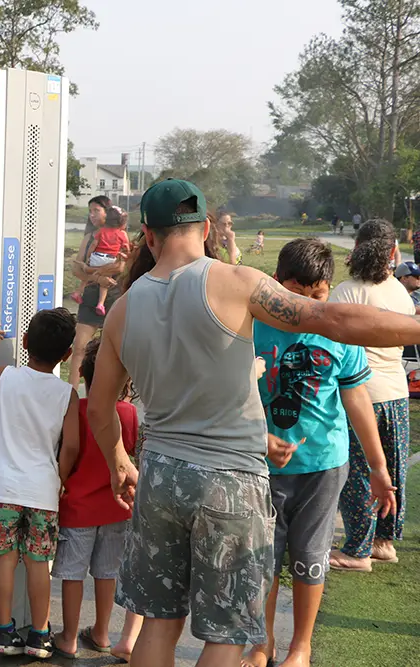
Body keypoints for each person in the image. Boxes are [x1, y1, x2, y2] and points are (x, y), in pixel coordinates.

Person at [87, 179, 420, 667]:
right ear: (204, 228)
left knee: (158, 625)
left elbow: (100, 408)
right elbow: (334, 321)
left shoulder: (123, 308)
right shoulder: (234, 281)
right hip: (229, 482)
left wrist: (119, 460)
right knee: (227, 635)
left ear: (148, 236)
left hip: (159, 476)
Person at [244, 238, 396, 667]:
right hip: (260, 466)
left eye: (318, 297)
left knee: (310, 558)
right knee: (262, 560)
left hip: (324, 467)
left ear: (329, 290)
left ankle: (300, 648)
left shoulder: (338, 330)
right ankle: (262, 643)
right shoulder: (251, 324)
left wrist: (379, 467)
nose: (308, 307)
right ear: (276, 283)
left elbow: (357, 400)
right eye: (296, 294)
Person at [0, 311, 80, 659]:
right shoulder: (67, 394)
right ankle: (39, 635)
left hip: (2, 489)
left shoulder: (4, 376)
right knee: (39, 563)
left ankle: (5, 633)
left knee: (3, 560)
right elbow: (70, 447)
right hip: (43, 491)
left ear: (24, 343)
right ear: (66, 355)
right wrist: (61, 478)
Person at [330, 219, 415, 572]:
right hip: (397, 392)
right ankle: (384, 542)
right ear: (393, 252)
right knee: (392, 469)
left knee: (360, 471)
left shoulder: (346, 292)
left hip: (360, 394)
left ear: (356, 248)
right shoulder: (399, 292)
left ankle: (357, 549)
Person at [52, 338, 142, 663]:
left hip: (78, 507)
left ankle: (68, 637)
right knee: (107, 573)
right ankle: (102, 632)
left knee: (73, 574)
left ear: (85, 375)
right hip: (116, 508)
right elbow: (129, 456)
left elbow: (68, 451)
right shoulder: (130, 413)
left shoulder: (77, 409)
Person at [68, 196, 126, 389]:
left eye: (96, 210)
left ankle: (117, 398)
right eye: (89, 211)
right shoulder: (89, 238)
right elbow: (77, 270)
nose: (91, 215)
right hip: (91, 297)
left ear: (107, 212)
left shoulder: (120, 235)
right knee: (80, 348)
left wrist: (90, 271)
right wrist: (98, 278)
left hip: (114, 297)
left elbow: (120, 267)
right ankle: (72, 395)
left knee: (118, 351)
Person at [83, 206, 131, 316]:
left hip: (97, 257)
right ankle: (101, 303)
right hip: (110, 259)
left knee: (88, 271)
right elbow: (126, 249)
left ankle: (79, 291)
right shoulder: (122, 234)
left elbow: (94, 245)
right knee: (105, 281)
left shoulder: (101, 231)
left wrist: (88, 257)